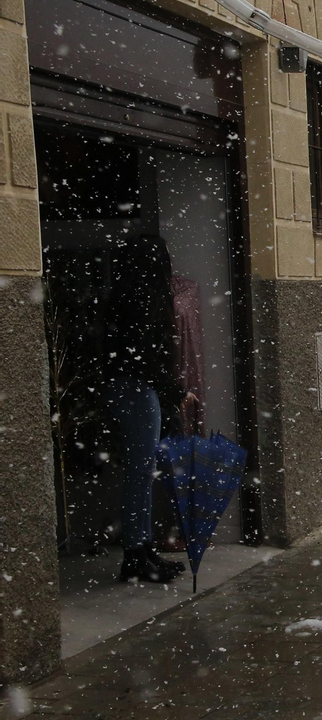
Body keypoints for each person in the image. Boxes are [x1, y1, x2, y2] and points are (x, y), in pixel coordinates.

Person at [103, 235, 196, 583]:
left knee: (140, 473)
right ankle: (136, 553)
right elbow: (148, 357)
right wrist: (175, 391)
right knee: (140, 474)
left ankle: (140, 551)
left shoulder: (125, 297)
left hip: (129, 386)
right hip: (137, 389)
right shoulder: (144, 299)